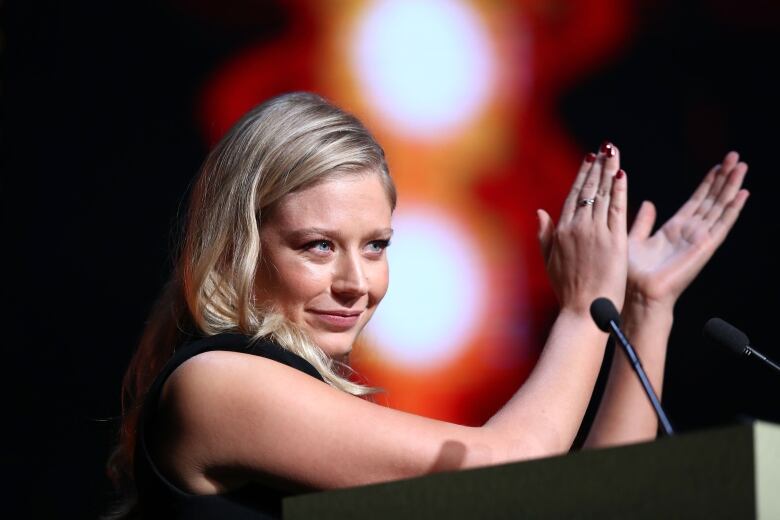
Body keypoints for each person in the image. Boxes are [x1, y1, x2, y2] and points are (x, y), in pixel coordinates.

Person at [106, 92, 749, 518]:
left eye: (377, 244)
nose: (357, 281)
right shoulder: (215, 384)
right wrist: (583, 310)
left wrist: (644, 309)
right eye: (318, 246)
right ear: (236, 246)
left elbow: (588, 504)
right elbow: (503, 473)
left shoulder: (282, 394)